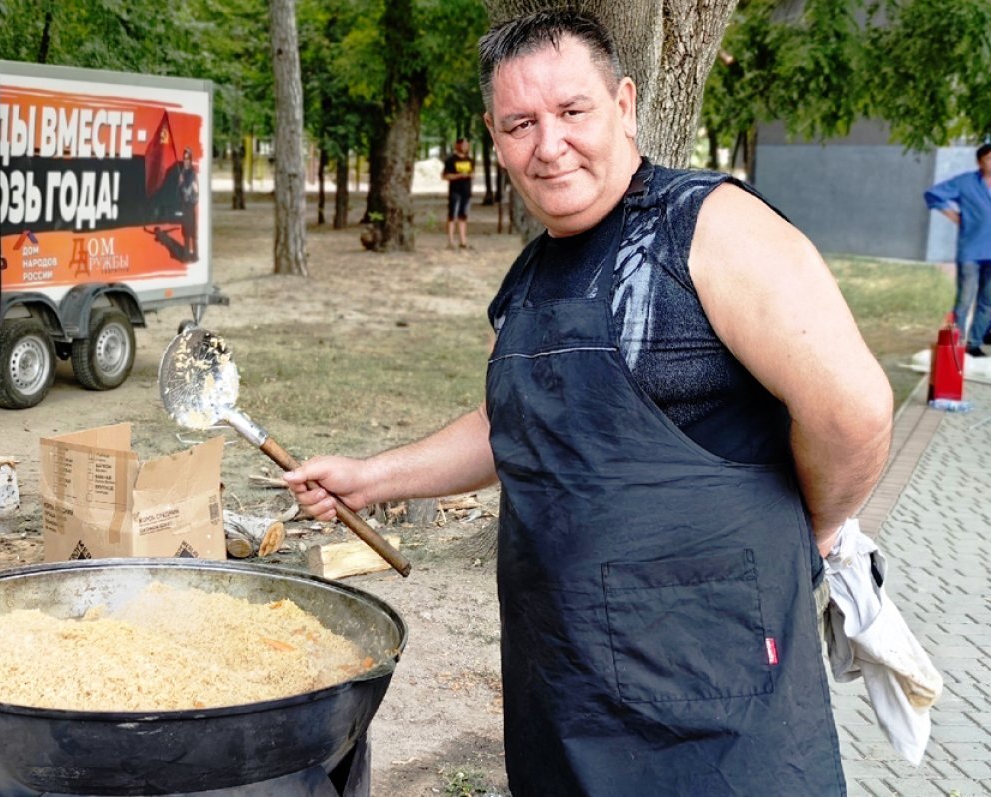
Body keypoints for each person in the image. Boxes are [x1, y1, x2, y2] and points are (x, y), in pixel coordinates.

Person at [285, 9, 893, 795]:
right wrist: (371, 479)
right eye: (520, 123)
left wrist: (801, 532)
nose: (548, 144)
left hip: (714, 707)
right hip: (566, 690)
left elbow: (856, 414)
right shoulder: (534, 275)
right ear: (493, 136)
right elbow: (515, 425)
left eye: (572, 111)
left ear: (625, 105)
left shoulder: (709, 227)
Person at [924, 143, 991, 355]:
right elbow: (933, 194)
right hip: (971, 250)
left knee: (988, 301)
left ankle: (974, 343)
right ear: (980, 162)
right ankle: (957, 342)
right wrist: (952, 215)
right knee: (965, 298)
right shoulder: (965, 183)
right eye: (989, 159)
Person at [442, 137, 475, 249]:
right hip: (455, 191)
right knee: (452, 215)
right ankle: (450, 241)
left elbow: (473, 173)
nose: (465, 147)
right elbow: (445, 176)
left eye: (467, 144)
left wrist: (470, 175)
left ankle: (463, 241)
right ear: (457, 145)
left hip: (466, 191)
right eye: (463, 144)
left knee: (463, 216)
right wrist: (459, 175)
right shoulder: (451, 160)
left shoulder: (470, 160)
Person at [177, 147, 200, 263]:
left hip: (191, 205)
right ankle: (186, 255)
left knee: (193, 231)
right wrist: (181, 184)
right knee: (186, 231)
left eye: (188, 158)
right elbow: (179, 190)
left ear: (191, 160)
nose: (186, 160)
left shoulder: (193, 173)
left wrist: (190, 194)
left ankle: (195, 255)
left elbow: (196, 190)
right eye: (184, 158)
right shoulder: (182, 172)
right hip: (185, 206)